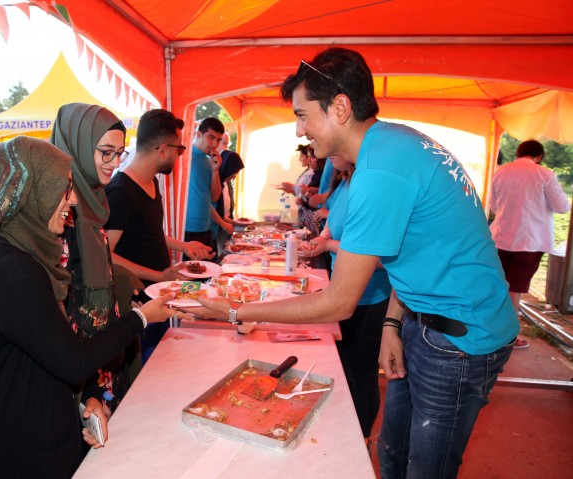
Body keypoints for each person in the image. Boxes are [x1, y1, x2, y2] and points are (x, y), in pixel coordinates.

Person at [194, 47, 519, 478]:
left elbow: (339, 302)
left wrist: (238, 311)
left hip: (458, 338)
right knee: (392, 453)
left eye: (303, 115)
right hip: (422, 321)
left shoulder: (381, 171)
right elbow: (415, 254)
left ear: (340, 108)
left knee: (426, 469)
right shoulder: (393, 145)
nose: (299, 130)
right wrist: (392, 324)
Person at [0, 136, 176, 478]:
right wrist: (140, 318)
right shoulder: (14, 274)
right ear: (26, 194)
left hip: (8, 443)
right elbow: (74, 362)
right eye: (63, 188)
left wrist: (87, 397)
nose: (73, 199)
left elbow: (41, 353)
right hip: (26, 457)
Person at [50, 103, 154, 413]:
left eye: (119, 153)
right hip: (77, 369)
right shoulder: (58, 212)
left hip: (103, 352)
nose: (115, 163)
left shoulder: (95, 200)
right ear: (78, 147)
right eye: (106, 153)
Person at [104, 109, 214, 363]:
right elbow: (106, 255)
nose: (179, 155)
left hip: (157, 296)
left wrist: (183, 246)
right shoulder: (120, 192)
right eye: (180, 149)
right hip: (138, 306)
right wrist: (158, 276)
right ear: (163, 150)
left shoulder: (151, 182)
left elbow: (149, 232)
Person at [304, 156, 390, 443]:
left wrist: (328, 244)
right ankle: (346, 434)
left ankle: (361, 441)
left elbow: (380, 256)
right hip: (343, 289)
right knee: (344, 368)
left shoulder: (371, 187)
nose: (327, 155)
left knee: (361, 374)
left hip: (370, 298)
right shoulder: (343, 182)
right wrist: (323, 236)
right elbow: (334, 222)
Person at [489, 140, 570, 349]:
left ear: (518, 153)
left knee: (500, 285)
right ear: (539, 157)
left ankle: (493, 330)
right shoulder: (545, 174)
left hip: (501, 236)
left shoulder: (501, 172)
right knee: (514, 288)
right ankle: (509, 337)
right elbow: (562, 206)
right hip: (530, 241)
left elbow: (494, 206)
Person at [184, 117, 225, 260]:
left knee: (207, 270)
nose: (214, 144)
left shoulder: (210, 161)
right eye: (211, 137)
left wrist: (215, 170)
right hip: (185, 228)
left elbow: (214, 196)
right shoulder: (185, 157)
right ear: (199, 134)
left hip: (205, 228)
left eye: (218, 140)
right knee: (188, 271)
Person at [210, 131, 244, 255]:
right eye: (222, 142)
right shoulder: (214, 180)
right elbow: (210, 207)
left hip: (222, 225)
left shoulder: (224, 180)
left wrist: (231, 221)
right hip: (213, 229)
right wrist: (224, 223)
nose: (234, 177)